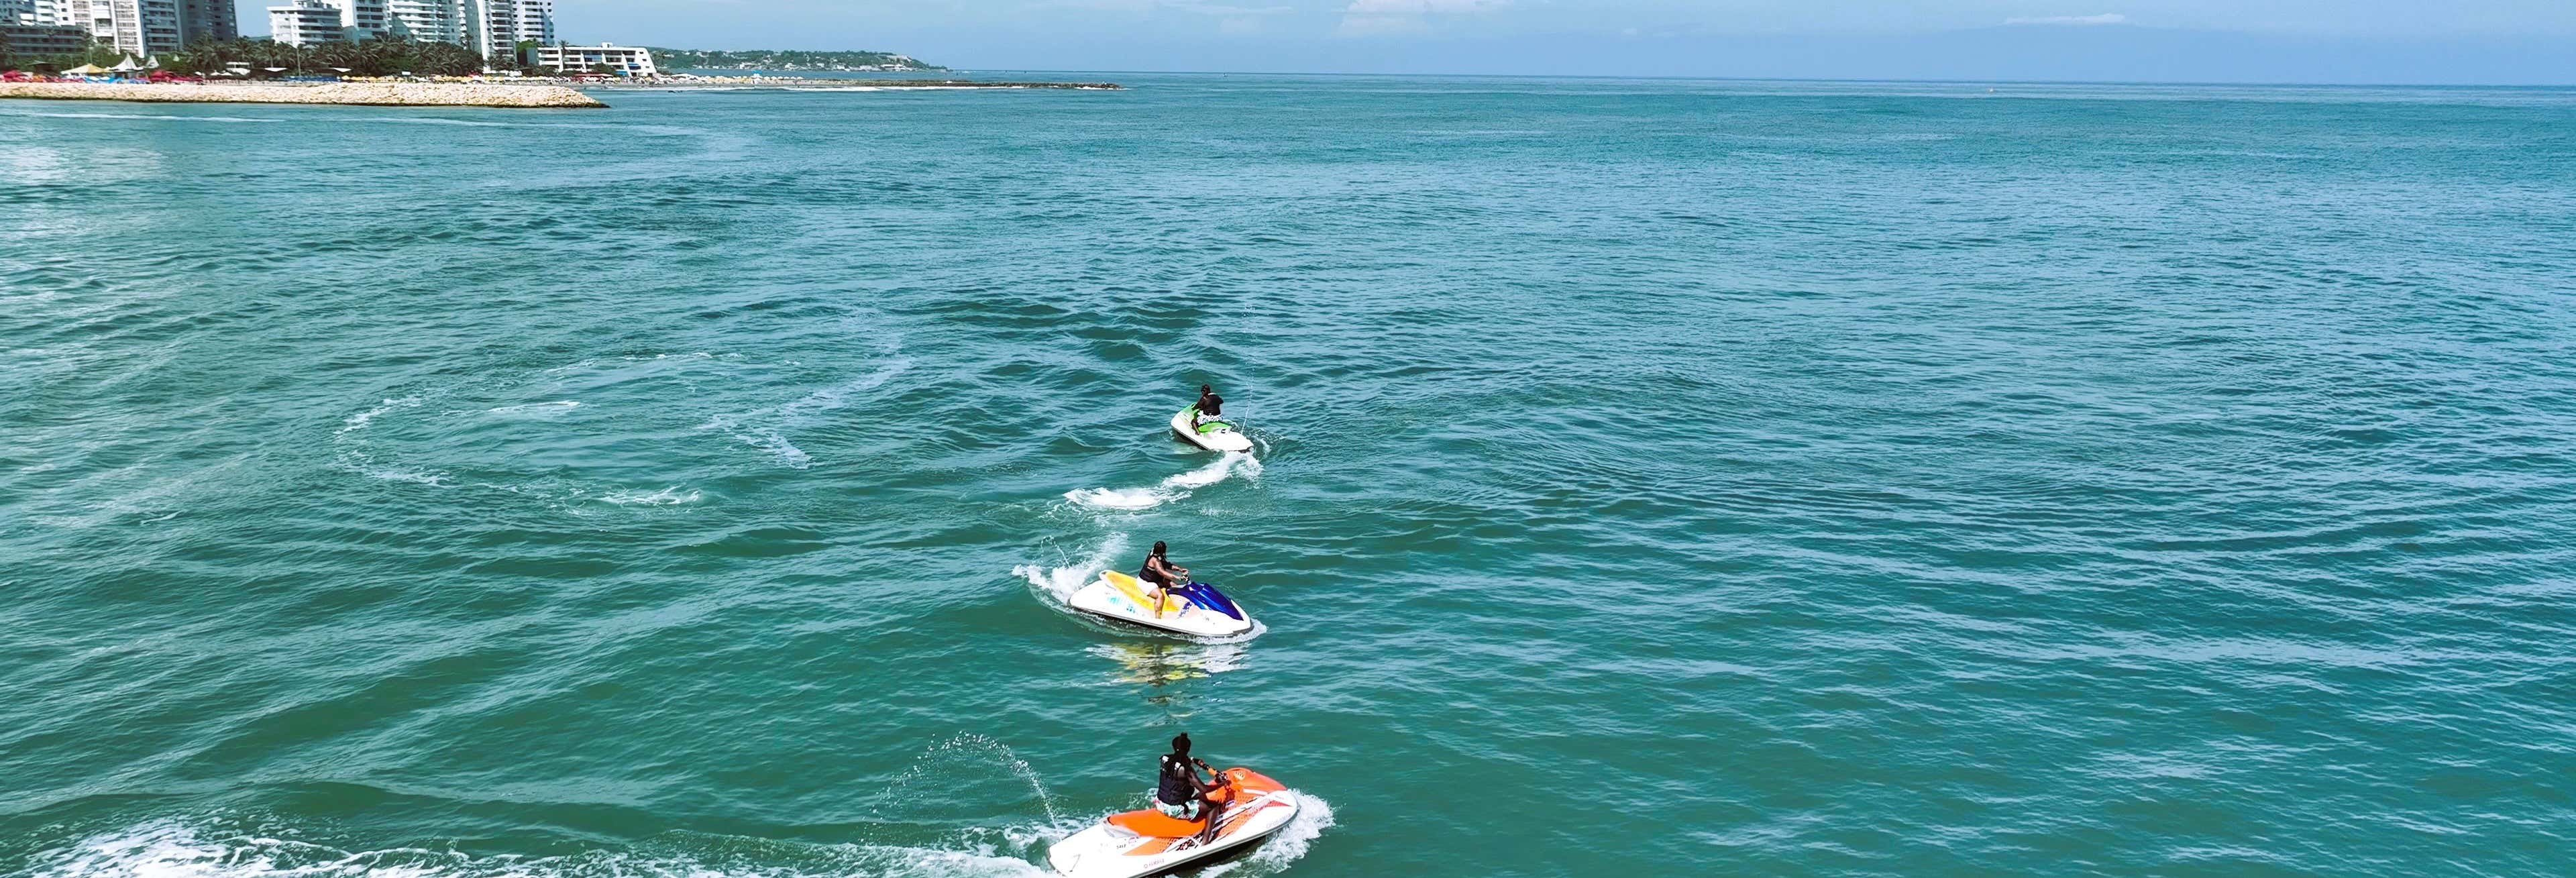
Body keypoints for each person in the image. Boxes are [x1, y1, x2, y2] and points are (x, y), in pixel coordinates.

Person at [1156, 732, 1218, 820]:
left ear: (1173, 747)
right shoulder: (1186, 769)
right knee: (1214, 807)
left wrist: (1193, 760)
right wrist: (1222, 784)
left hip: (1160, 803)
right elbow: (1204, 789)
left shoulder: (1165, 759)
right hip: (1173, 809)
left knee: (1191, 789)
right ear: (1188, 749)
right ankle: (1207, 834)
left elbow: (1178, 760)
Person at [1138, 541, 1191, 616]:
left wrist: (1180, 569)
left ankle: (1180, 605)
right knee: (1160, 596)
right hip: (1146, 582)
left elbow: (1167, 565)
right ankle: (1158, 618)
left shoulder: (1155, 552)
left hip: (1156, 580)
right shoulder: (1155, 560)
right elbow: (1162, 572)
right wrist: (1178, 577)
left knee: (1175, 586)